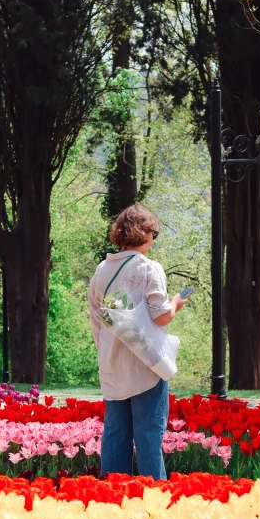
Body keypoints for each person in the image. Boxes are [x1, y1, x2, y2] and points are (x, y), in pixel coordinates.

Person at [88, 204, 188, 480]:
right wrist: (177, 302)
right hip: (147, 365)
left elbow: (97, 320)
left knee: (115, 433)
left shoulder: (101, 270)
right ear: (143, 233)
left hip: (113, 364)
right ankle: (154, 499)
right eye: (153, 233)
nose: (154, 239)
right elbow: (161, 317)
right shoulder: (149, 268)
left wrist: (109, 350)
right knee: (148, 435)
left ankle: (112, 496)